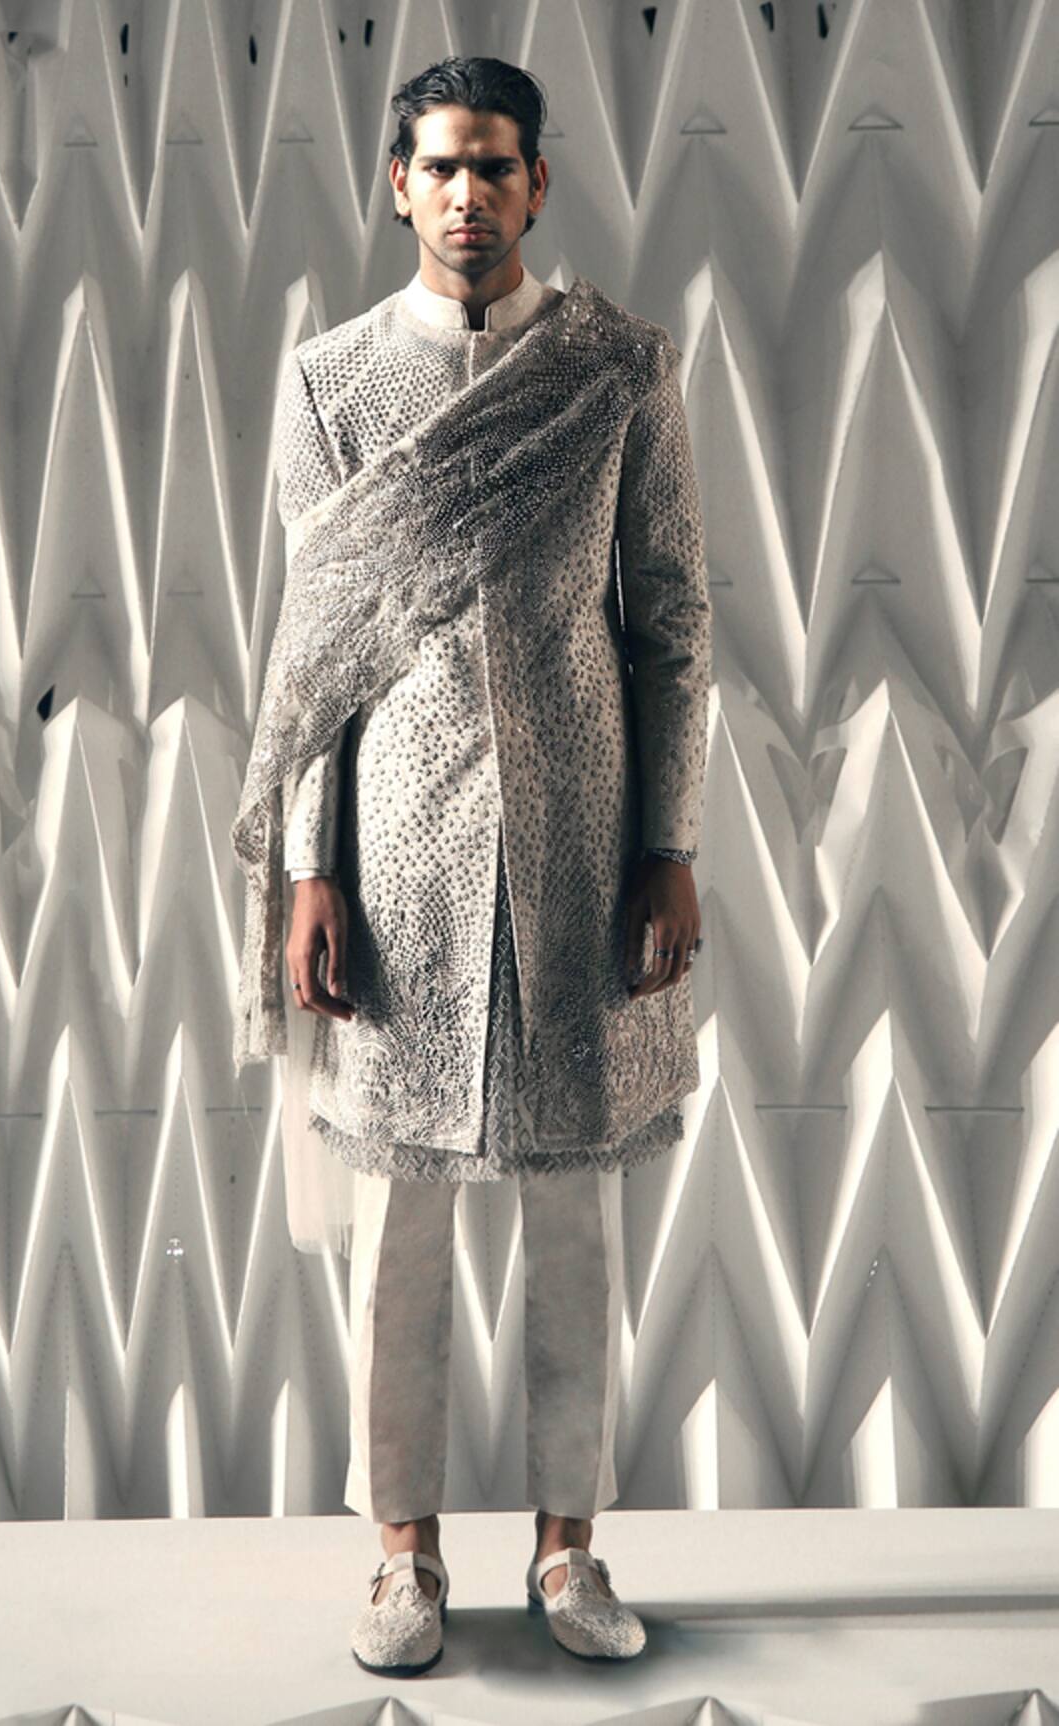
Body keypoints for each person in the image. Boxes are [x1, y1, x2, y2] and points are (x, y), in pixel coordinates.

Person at [231, 56, 712, 1676]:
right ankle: (403, 1555)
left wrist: (669, 844)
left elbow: (672, 621)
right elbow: (311, 660)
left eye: (493, 166)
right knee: (399, 1226)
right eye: (438, 166)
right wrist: (311, 869)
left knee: (575, 1216)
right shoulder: (331, 382)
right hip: (395, 853)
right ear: (397, 185)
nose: (465, 193)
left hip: (582, 841)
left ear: (536, 185)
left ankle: (569, 1545)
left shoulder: (616, 369)